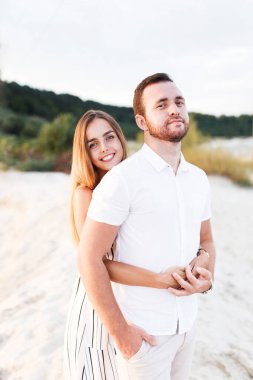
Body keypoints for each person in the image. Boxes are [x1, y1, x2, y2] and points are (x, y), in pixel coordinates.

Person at [77, 74, 216, 380]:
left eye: (179, 102)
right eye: (162, 105)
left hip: (187, 327)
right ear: (141, 121)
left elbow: (206, 241)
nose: (174, 110)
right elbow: (89, 259)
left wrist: (206, 278)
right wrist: (123, 336)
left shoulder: (198, 179)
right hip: (145, 335)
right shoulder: (121, 180)